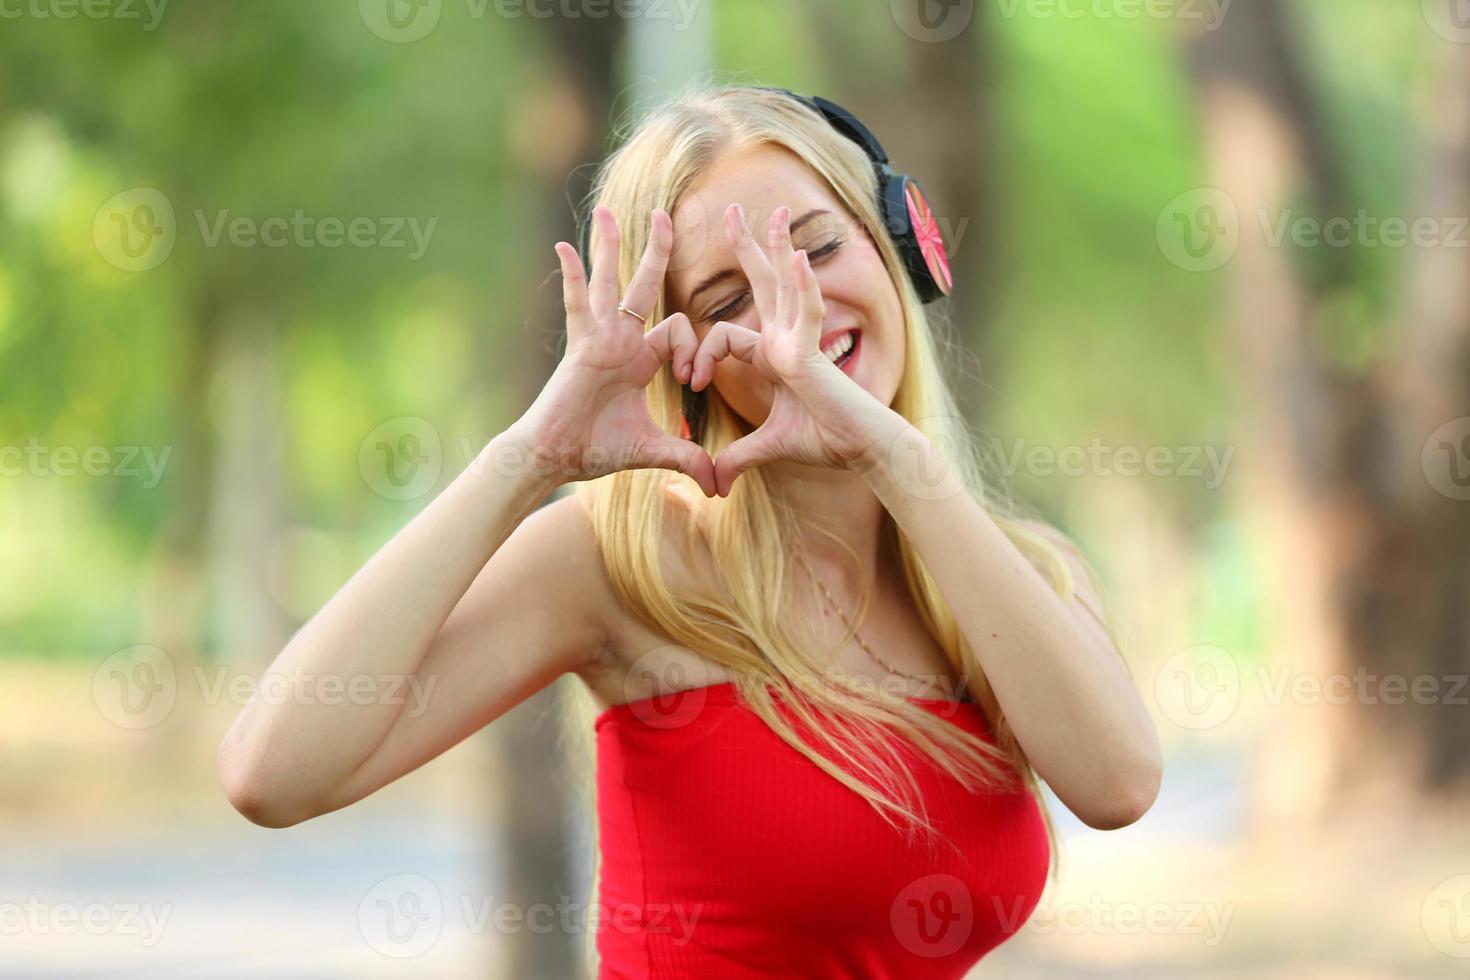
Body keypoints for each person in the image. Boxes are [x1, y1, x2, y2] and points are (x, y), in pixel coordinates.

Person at [217, 83, 1162, 978]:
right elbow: (273, 773)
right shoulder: (619, 565)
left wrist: (900, 463)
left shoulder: (1021, 571)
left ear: (898, 245)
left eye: (819, 247)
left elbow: (1116, 785)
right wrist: (532, 455)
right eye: (730, 299)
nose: (798, 311)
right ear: (688, 362)